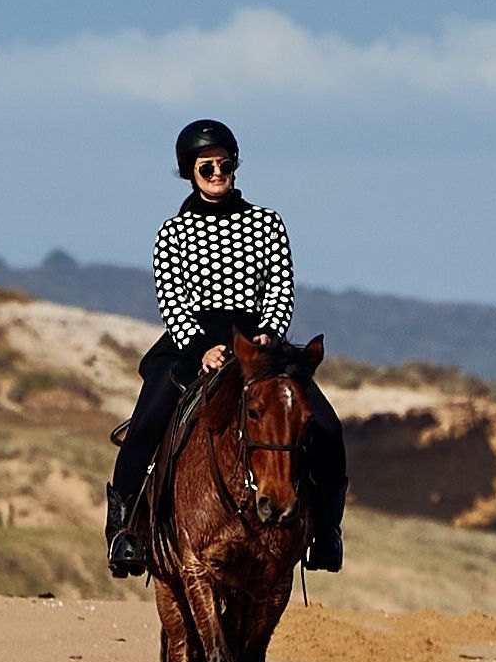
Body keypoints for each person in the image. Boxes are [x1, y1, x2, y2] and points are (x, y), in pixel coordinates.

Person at [105, 116, 345, 581]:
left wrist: (269, 336)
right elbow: (171, 299)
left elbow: (280, 285)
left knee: (327, 424)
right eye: (206, 167)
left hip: (258, 340)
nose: (217, 174)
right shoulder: (170, 234)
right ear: (189, 172)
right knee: (150, 416)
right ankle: (124, 530)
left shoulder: (266, 222)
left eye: (224, 164)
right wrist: (202, 350)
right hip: (189, 342)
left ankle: (327, 531)